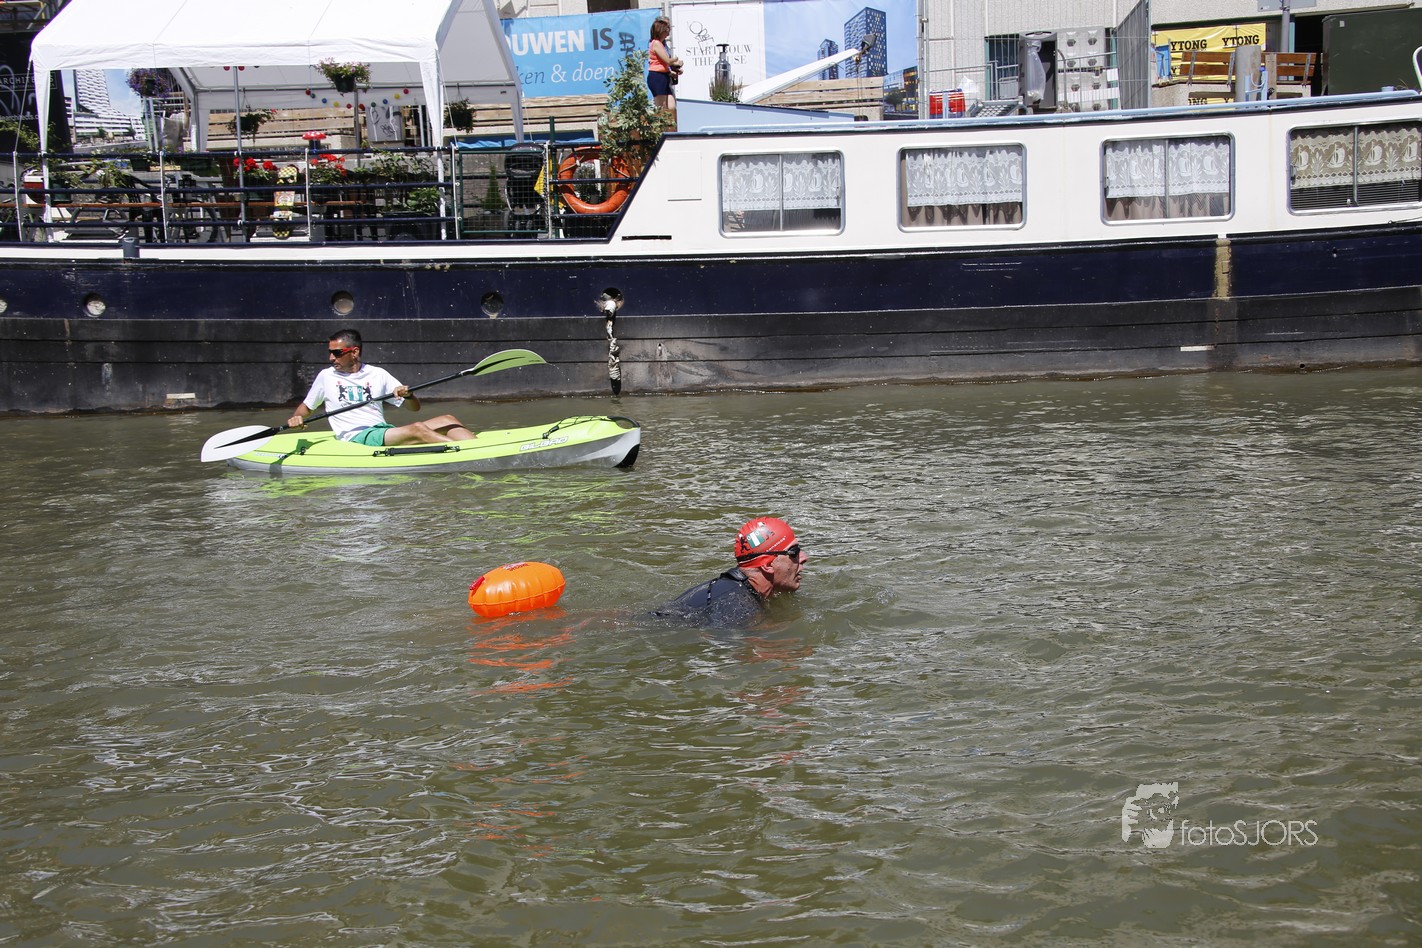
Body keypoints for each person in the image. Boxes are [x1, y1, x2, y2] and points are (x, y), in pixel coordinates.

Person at [286, 329, 476, 446]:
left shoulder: (377, 374)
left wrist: (408, 396)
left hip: (381, 430)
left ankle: (477, 447)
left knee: (448, 419)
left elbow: (414, 408)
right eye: (330, 353)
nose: (331, 358)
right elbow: (307, 407)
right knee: (417, 429)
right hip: (356, 436)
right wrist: (297, 418)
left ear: (354, 352)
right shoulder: (326, 376)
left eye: (337, 353)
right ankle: (465, 453)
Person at [656, 517, 808, 628]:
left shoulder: (736, 588)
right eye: (794, 552)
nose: (804, 557)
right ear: (768, 565)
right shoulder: (738, 607)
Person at [647, 16, 683, 118]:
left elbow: (663, 63)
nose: (668, 31)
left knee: (671, 107)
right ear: (661, 30)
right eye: (667, 29)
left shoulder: (662, 44)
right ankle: (660, 126)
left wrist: (670, 71)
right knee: (661, 108)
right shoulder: (656, 43)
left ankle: (671, 125)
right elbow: (667, 61)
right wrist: (676, 60)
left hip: (664, 75)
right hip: (657, 76)